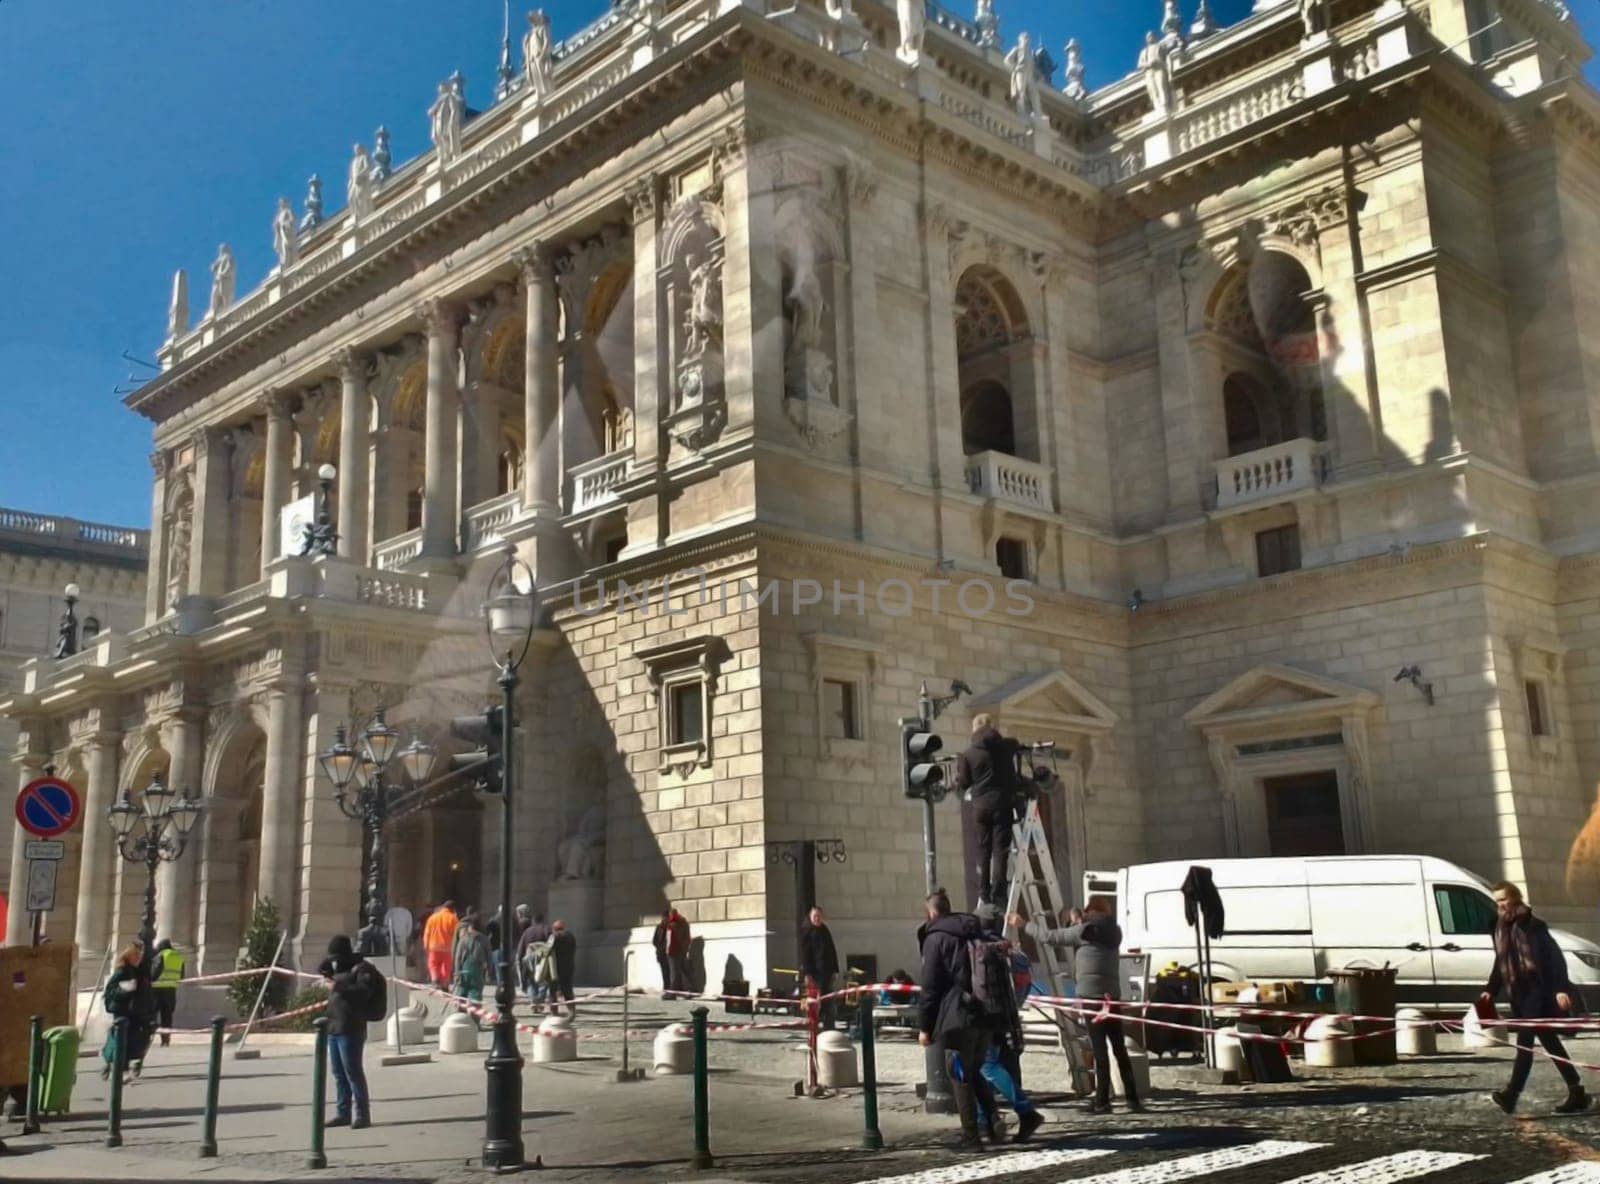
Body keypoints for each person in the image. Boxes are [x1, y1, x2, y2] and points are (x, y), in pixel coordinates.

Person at [1013, 898, 1143, 1114]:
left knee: (1099, 1052)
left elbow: (1050, 937)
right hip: (1111, 998)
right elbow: (1088, 934)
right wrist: (1077, 923)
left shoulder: (1084, 931)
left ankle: (1102, 1101)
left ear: (1090, 912)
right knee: (1119, 1049)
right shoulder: (1114, 931)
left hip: (1091, 998)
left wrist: (1024, 924)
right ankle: (1132, 1099)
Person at [1480, 880, 1589, 1115]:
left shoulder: (1533, 925)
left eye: (1503, 899)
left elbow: (1554, 959)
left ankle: (1511, 1094)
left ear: (1515, 899)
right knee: (1550, 1043)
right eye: (1496, 900)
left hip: (1537, 991)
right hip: (1517, 994)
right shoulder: (1497, 927)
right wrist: (1491, 989)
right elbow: (1501, 961)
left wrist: (1560, 989)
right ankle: (1576, 1090)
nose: (1499, 905)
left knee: (1525, 1045)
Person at [918, 888, 1003, 1148]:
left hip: (958, 1016)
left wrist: (925, 1027)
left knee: (958, 1074)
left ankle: (971, 1137)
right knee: (973, 1069)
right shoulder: (973, 928)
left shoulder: (937, 938)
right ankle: (992, 1120)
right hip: (986, 1012)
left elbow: (931, 987)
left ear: (931, 912)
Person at [954, 714, 1021, 908]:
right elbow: (1014, 742)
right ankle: (999, 891)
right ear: (992, 728)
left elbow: (964, 783)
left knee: (983, 850)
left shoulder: (968, 754)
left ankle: (983, 891)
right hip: (1002, 805)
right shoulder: (1006, 747)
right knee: (1000, 850)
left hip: (980, 807)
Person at [319, 934, 383, 1130]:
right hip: (334, 1026)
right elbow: (324, 967)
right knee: (338, 1073)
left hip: (351, 1028)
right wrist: (326, 966)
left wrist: (337, 985)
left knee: (353, 1072)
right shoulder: (341, 967)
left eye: (336, 958)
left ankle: (363, 1115)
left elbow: (363, 993)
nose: (335, 963)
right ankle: (343, 1112)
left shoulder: (362, 969)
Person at [101, 943, 151, 1082]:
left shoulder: (140, 972)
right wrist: (124, 990)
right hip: (122, 1011)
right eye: (135, 956)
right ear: (128, 957)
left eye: (139, 956)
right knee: (122, 1040)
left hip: (137, 1011)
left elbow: (146, 992)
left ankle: (113, 1059)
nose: (138, 959)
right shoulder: (122, 971)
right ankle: (121, 1069)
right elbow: (110, 992)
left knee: (134, 1040)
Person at [800, 906, 841, 1031]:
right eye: (815, 916)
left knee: (829, 1002)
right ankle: (814, 1028)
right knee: (815, 1003)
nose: (817, 919)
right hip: (814, 974)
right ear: (811, 917)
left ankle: (829, 1027)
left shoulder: (825, 930)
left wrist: (835, 970)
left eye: (819, 916)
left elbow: (832, 950)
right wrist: (807, 974)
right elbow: (805, 955)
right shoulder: (807, 932)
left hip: (827, 973)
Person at [453, 914, 493, 1010]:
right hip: (473, 971)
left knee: (465, 994)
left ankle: (464, 1016)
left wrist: (456, 972)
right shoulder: (484, 939)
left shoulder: (464, 939)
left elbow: (457, 957)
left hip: (468, 970)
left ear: (470, 927)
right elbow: (489, 957)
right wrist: (489, 972)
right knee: (471, 994)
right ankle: (470, 1017)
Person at [152, 938, 185, 1048]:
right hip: (171, 989)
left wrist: (150, 981)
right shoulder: (178, 956)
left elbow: (156, 971)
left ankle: (149, 1038)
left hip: (158, 989)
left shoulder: (161, 955)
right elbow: (182, 975)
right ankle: (165, 1040)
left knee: (153, 1015)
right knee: (167, 1017)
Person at [422, 900, 459, 989]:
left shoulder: (432, 918)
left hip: (433, 947)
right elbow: (457, 934)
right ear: (452, 909)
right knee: (446, 966)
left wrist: (426, 946)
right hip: (448, 947)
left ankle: (435, 980)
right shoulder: (453, 918)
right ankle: (444, 984)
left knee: (433, 964)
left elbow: (427, 933)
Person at [517, 911, 551, 1004]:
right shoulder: (547, 929)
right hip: (543, 958)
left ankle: (533, 1000)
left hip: (529, 959)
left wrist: (520, 960)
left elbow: (521, 948)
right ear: (543, 919)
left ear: (533, 920)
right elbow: (552, 944)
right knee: (543, 981)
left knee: (531, 981)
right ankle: (539, 999)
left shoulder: (527, 932)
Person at [549, 920, 577, 1016]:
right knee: (568, 990)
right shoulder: (571, 937)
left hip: (555, 968)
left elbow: (548, 950)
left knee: (553, 991)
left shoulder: (554, 937)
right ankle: (572, 1011)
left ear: (554, 929)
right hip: (568, 967)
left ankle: (554, 1013)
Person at [664, 905, 692, 995]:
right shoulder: (671, 923)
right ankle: (686, 989)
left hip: (677, 950)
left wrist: (683, 948)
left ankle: (676, 991)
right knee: (678, 971)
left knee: (677, 971)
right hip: (672, 951)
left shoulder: (679, 923)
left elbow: (683, 937)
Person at [652, 909, 673, 996]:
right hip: (661, 953)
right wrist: (660, 948)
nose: (665, 919)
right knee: (665, 972)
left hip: (669, 953)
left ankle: (671, 990)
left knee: (670, 972)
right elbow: (654, 940)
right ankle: (666, 989)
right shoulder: (659, 927)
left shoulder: (671, 927)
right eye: (665, 918)